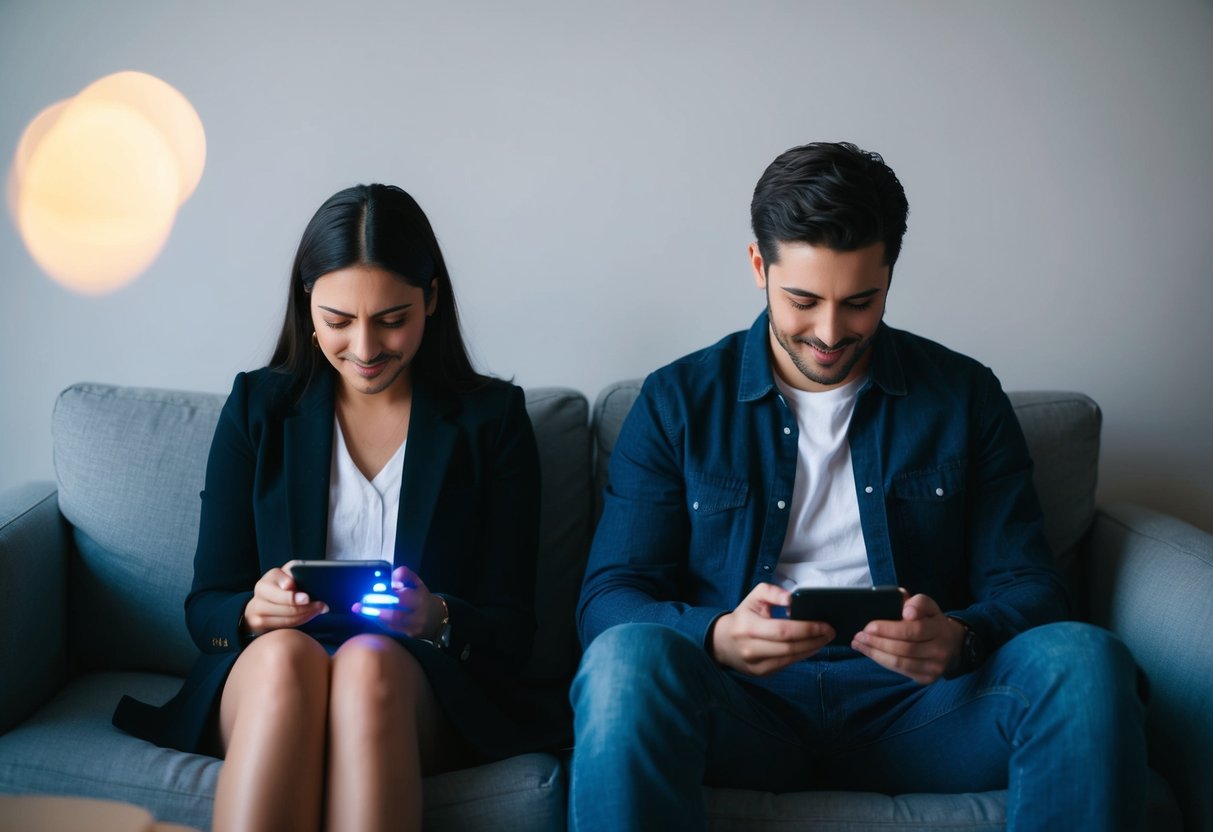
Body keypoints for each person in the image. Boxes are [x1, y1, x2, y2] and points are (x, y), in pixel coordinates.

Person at [570, 142, 1148, 831]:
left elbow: (1032, 584)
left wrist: (959, 637)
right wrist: (718, 635)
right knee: (624, 662)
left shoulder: (962, 396)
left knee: (1083, 658)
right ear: (758, 265)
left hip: (923, 709)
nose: (829, 332)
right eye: (802, 300)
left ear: (889, 276)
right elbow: (608, 601)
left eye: (859, 301)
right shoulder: (675, 401)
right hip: (739, 706)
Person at [113, 184, 549, 832]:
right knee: (290, 658)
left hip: (413, 684)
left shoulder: (493, 422)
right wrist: (252, 611)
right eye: (339, 321)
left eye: (392, 318)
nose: (366, 348)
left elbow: (513, 630)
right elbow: (206, 604)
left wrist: (437, 616)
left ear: (430, 298)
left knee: (366, 664)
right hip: (272, 673)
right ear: (307, 309)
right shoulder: (257, 408)